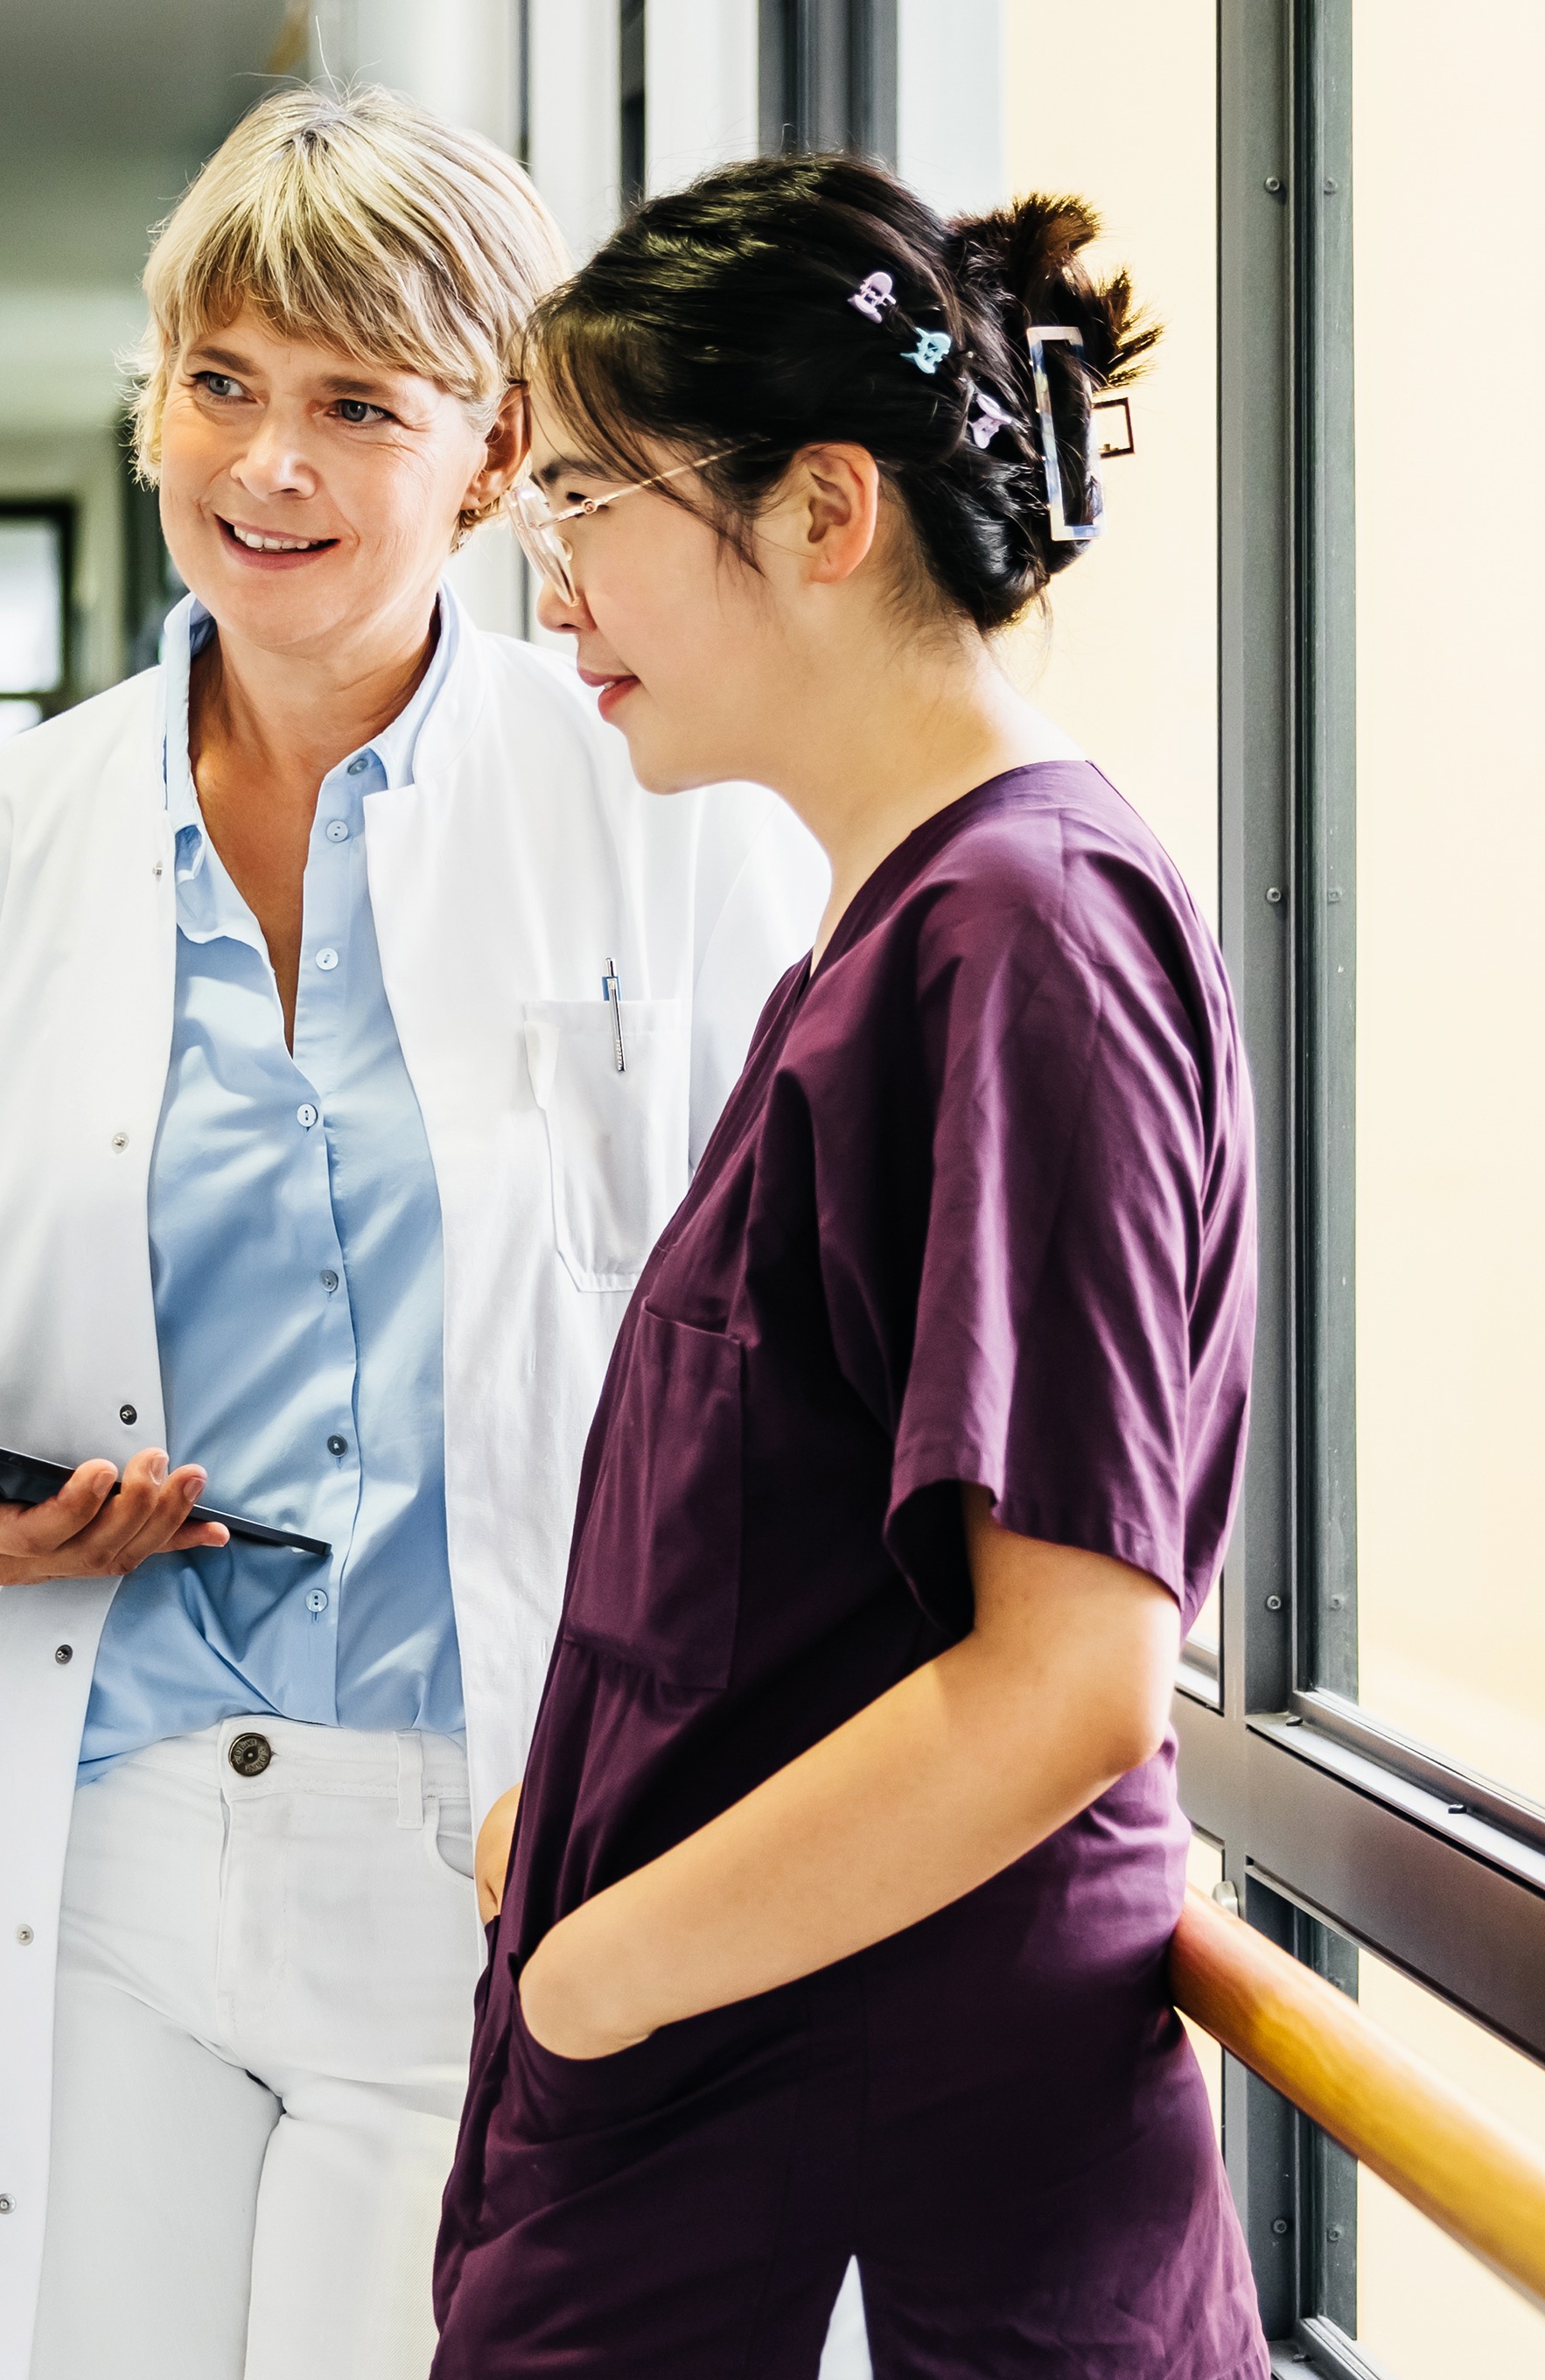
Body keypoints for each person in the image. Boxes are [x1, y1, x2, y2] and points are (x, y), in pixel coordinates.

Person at [0, 86, 823, 2380]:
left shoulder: (669, 828)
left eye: (357, 404)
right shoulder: (1, 847)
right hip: (101, 1845)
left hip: (490, 1844)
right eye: (219, 386)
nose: (270, 467)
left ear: (497, 439)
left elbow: (779, 1381)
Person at [429, 158, 1256, 2377]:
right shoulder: (898, 924)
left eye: (588, 501)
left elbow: (1068, 1673)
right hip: (741, 2090)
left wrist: (599, 1964)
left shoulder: (1027, 939)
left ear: (818, 512)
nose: (556, 592)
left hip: (873, 2144)